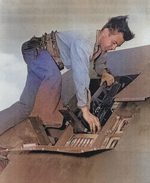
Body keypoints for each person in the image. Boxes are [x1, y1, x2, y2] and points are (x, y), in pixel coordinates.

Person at [0, 15, 134, 135]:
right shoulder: (84, 43)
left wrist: (104, 72)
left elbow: (99, 64)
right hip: (35, 50)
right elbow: (80, 74)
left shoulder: (100, 47)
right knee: (54, 77)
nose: (114, 47)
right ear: (105, 32)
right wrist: (85, 109)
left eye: (117, 46)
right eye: (114, 42)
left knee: (25, 106)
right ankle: (42, 123)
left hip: (39, 58)